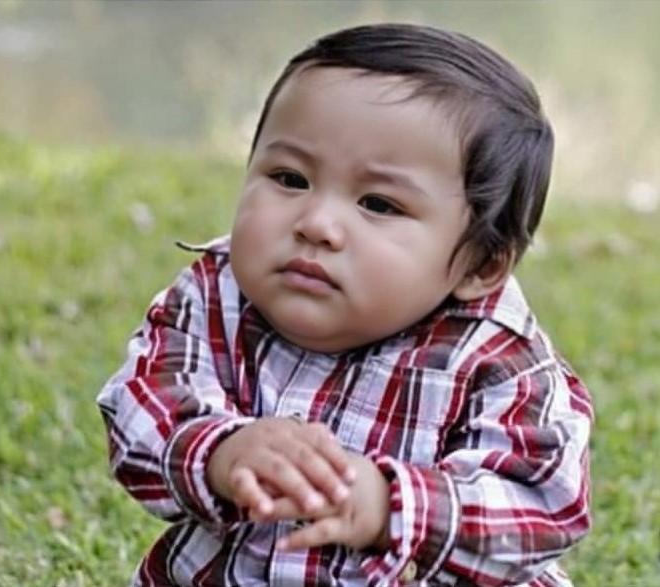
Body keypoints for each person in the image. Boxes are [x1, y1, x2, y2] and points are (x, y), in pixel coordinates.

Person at [97, 23, 592, 587]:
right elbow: (141, 406)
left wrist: (390, 506)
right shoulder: (216, 293)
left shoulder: (500, 362)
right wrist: (220, 451)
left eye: (378, 204)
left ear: (480, 266)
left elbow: (543, 507)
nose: (317, 223)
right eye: (290, 178)